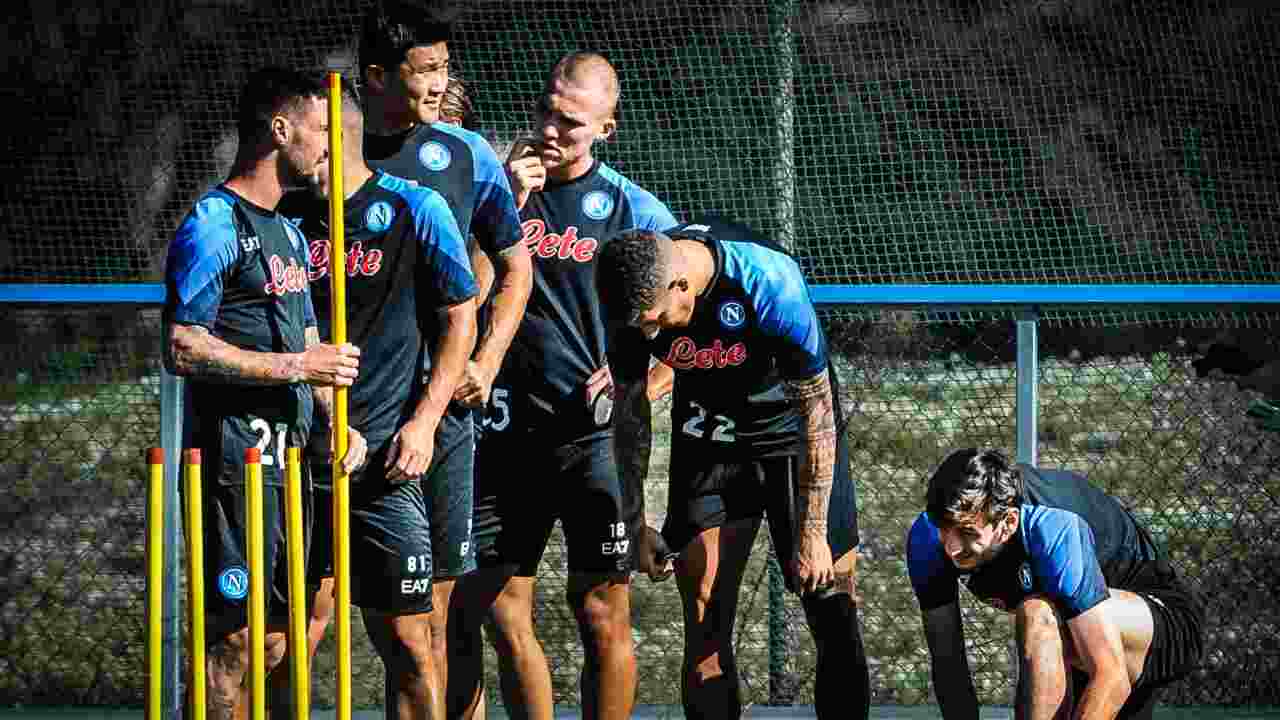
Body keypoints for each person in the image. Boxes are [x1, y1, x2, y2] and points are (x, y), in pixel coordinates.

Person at [283, 5, 533, 718]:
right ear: (375, 76)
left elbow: (515, 268)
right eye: (424, 69)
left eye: (444, 67)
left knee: (442, 622)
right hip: (333, 418)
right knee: (312, 615)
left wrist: (484, 359)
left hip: (438, 418)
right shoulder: (324, 157)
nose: (439, 82)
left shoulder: (464, 154)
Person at [458, 51, 678, 720]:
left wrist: (640, 375)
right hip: (503, 438)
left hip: (594, 445)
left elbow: (678, 326)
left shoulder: (633, 210)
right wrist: (505, 202)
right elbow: (460, 293)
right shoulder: (492, 191)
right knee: (496, 606)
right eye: (547, 112)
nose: (553, 131)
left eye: (573, 122)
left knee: (600, 608)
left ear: (607, 128)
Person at [596, 217, 870, 720]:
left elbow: (818, 412)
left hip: (794, 438)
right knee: (703, 618)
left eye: (657, 319)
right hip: (710, 441)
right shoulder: (634, 300)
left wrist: (811, 531)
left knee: (831, 607)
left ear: (682, 286)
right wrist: (633, 522)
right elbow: (630, 414)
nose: (650, 334)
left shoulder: (768, 280)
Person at [162, 67, 365, 720]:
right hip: (231, 466)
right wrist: (296, 367)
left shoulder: (289, 234)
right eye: (320, 128)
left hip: (294, 464)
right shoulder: (214, 221)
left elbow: (309, 337)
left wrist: (336, 420)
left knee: (279, 642)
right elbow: (184, 345)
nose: (332, 144)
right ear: (280, 130)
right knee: (235, 639)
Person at [276, 78, 477, 719]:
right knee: (285, 640)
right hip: (297, 461)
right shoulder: (281, 217)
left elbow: (460, 318)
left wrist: (423, 424)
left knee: (411, 642)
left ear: (332, 142)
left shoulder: (416, 208)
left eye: (300, 137)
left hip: (387, 464)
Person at [906, 448, 1206, 720]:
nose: (952, 548)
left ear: (1008, 523)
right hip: (1080, 631)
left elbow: (1111, 676)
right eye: (945, 530)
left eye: (967, 533)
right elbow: (949, 664)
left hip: (1158, 624)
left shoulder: (1053, 526)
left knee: (1038, 612)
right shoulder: (927, 536)